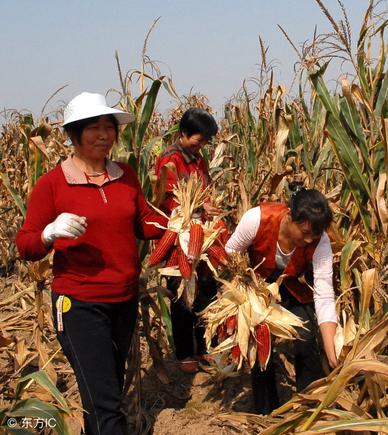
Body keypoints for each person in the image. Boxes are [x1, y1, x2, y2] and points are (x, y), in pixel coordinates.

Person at [16, 92, 167, 435]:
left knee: (104, 390)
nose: (104, 135)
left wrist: (182, 224)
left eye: (109, 127)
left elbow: (144, 223)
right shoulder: (52, 185)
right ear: (74, 134)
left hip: (124, 300)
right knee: (105, 404)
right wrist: (49, 233)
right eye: (93, 128)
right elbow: (25, 245)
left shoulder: (125, 176)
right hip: (79, 304)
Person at [225, 187, 338, 415]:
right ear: (290, 216)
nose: (308, 240)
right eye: (304, 232)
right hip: (257, 285)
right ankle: (266, 410)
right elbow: (230, 252)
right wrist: (243, 290)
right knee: (259, 340)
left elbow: (324, 293)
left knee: (306, 336)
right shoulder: (257, 219)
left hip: (292, 286)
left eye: (313, 237)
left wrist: (331, 348)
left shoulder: (320, 242)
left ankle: (309, 407)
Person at [155, 108, 229, 374]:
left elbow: (204, 189)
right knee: (182, 294)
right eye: (199, 140)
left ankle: (205, 348)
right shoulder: (169, 160)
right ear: (183, 133)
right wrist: (198, 210)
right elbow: (169, 201)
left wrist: (210, 207)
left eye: (206, 142)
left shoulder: (198, 158)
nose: (202, 146)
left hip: (202, 235)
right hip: (179, 239)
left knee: (206, 292)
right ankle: (186, 354)